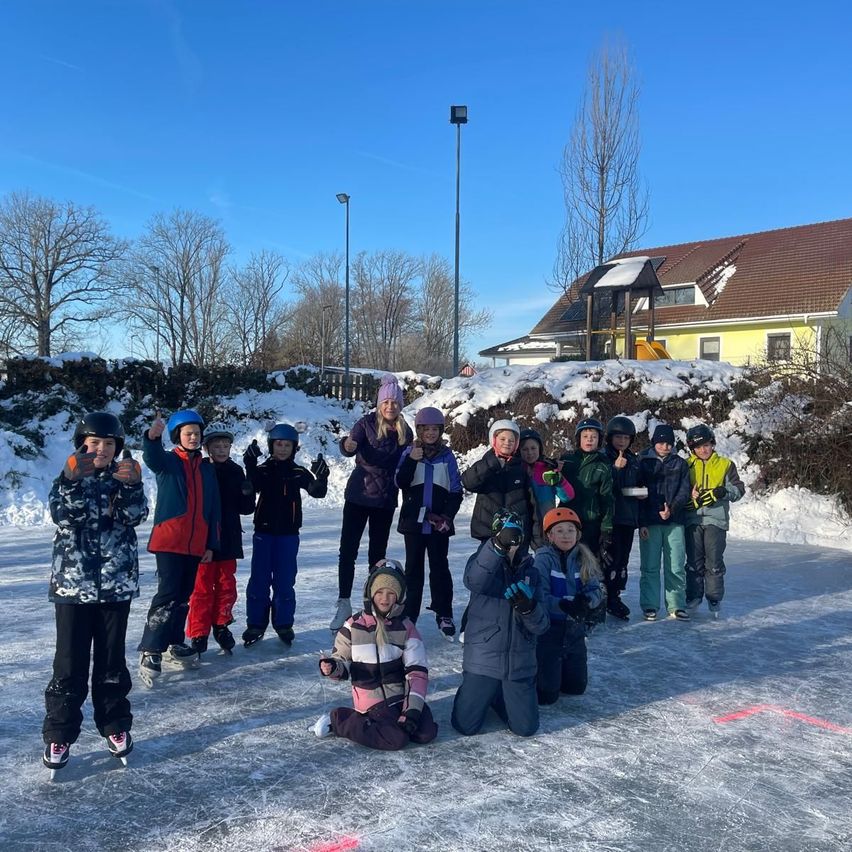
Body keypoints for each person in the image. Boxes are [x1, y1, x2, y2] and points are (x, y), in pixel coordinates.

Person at [42, 412, 147, 777]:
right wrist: (71, 480)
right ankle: (59, 733)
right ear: (80, 445)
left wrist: (133, 487)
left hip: (115, 586)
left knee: (111, 660)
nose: (100, 449)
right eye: (93, 443)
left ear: (117, 447)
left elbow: (136, 515)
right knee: (69, 662)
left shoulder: (125, 476)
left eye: (108, 443)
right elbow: (62, 515)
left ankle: (115, 723)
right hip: (73, 587)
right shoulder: (67, 478)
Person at [312, 560, 438, 750]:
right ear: (370, 593)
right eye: (379, 592)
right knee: (395, 739)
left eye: (390, 593)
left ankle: (404, 716)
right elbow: (342, 663)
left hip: (400, 697)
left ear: (400, 596)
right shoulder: (353, 626)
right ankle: (340, 719)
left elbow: (417, 672)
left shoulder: (406, 627)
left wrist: (411, 710)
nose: (384, 598)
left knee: (425, 733)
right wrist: (332, 667)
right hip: (373, 704)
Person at [138, 409, 221, 685]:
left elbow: (213, 509)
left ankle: (173, 642)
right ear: (177, 436)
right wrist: (152, 438)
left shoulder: (207, 469)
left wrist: (211, 543)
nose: (194, 438)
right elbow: (152, 457)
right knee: (168, 594)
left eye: (197, 433)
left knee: (184, 594)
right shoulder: (170, 462)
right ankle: (151, 648)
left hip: (196, 544)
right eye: (188, 434)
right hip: (170, 540)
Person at [450, 511, 549, 738]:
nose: (511, 541)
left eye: (515, 535)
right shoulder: (481, 562)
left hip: (519, 663)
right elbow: (475, 580)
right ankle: (482, 692)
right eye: (505, 534)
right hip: (483, 660)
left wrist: (529, 608)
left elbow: (541, 625)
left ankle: (499, 694)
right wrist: (496, 547)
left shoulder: (532, 573)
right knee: (465, 726)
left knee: (525, 729)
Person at [330, 374, 413, 632]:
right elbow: (348, 446)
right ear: (380, 403)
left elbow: (408, 464)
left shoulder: (405, 432)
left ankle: (374, 603)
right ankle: (344, 602)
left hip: (385, 499)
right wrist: (347, 445)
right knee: (348, 550)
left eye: (395, 403)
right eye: (386, 402)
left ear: (400, 406)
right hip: (358, 495)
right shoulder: (365, 423)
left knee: (377, 554)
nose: (391, 407)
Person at [242, 423, 329, 646]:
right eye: (278, 444)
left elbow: (317, 492)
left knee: (284, 580)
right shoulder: (263, 470)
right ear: (271, 446)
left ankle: (283, 623)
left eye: (287, 445)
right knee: (259, 579)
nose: (282, 449)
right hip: (263, 533)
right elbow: (251, 485)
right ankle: (255, 624)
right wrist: (250, 463)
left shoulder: (298, 472)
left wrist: (322, 477)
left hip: (289, 535)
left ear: (294, 448)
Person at [186, 424, 255, 655]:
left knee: (227, 585)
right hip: (205, 538)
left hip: (229, 537)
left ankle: (221, 624)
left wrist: (248, 493)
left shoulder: (236, 471)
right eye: (217, 446)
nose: (222, 450)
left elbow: (246, 510)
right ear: (207, 448)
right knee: (202, 586)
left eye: (226, 446)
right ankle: (198, 632)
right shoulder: (202, 469)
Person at [394, 406, 463, 639]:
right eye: (426, 429)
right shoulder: (410, 453)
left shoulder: (447, 456)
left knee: (439, 568)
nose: (431, 433)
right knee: (413, 569)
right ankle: (409, 614)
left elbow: (455, 490)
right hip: (414, 523)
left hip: (438, 525)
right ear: (419, 430)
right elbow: (400, 481)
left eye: (435, 429)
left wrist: (447, 517)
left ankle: (444, 612)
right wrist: (411, 461)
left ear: (441, 431)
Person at [534, 508, 603, 705]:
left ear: (578, 534)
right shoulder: (543, 558)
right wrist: (563, 605)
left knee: (576, 688)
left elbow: (596, 590)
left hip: (575, 631)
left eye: (571, 530)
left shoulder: (584, 558)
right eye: (560, 531)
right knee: (546, 696)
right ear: (550, 535)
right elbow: (540, 596)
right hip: (549, 631)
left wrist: (585, 602)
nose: (566, 535)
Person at [684, 424, 745, 618]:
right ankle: (693, 597)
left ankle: (714, 597)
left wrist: (723, 491)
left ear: (713, 444)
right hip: (692, 520)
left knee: (714, 561)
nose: (703, 450)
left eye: (707, 445)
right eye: (699, 446)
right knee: (694, 562)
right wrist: (688, 494)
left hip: (716, 521)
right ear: (692, 448)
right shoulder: (686, 466)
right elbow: (676, 491)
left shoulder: (725, 464)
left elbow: (739, 490)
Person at [559, 417, 614, 626]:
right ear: (578, 439)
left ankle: (594, 609)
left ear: (599, 440)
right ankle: (564, 605)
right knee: (566, 564)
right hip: (567, 521)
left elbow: (608, 498)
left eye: (593, 436)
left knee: (590, 567)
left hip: (591, 523)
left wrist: (606, 528)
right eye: (585, 436)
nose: (589, 440)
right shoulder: (568, 460)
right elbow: (551, 478)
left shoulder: (603, 465)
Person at [637, 423, 691, 621]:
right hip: (650, 522)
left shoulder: (680, 463)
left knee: (676, 565)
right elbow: (638, 493)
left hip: (674, 521)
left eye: (668, 443)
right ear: (654, 442)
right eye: (661, 442)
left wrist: (672, 509)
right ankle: (650, 605)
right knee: (650, 566)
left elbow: (684, 491)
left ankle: (677, 605)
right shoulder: (642, 461)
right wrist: (642, 522)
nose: (665, 446)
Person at [461, 419, 531, 547]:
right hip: (489, 530)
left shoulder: (521, 467)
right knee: (487, 565)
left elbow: (530, 499)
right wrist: (491, 464)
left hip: (516, 531)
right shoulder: (486, 463)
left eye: (511, 440)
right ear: (494, 440)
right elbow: (468, 483)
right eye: (502, 439)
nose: (507, 443)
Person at [602, 416, 644, 621]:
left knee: (622, 561)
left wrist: (642, 492)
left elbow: (640, 485)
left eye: (626, 438)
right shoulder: (604, 457)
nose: (621, 441)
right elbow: (608, 486)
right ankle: (602, 597)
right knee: (608, 559)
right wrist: (616, 469)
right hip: (611, 517)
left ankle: (615, 596)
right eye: (618, 437)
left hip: (628, 518)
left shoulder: (634, 460)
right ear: (609, 437)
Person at [518, 427, 574, 551]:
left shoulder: (548, 470)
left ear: (539, 449)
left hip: (544, 525)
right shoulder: (516, 471)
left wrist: (559, 481)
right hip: (523, 524)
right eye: (525, 449)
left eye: (533, 448)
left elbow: (568, 496)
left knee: (544, 558)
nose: (529, 452)